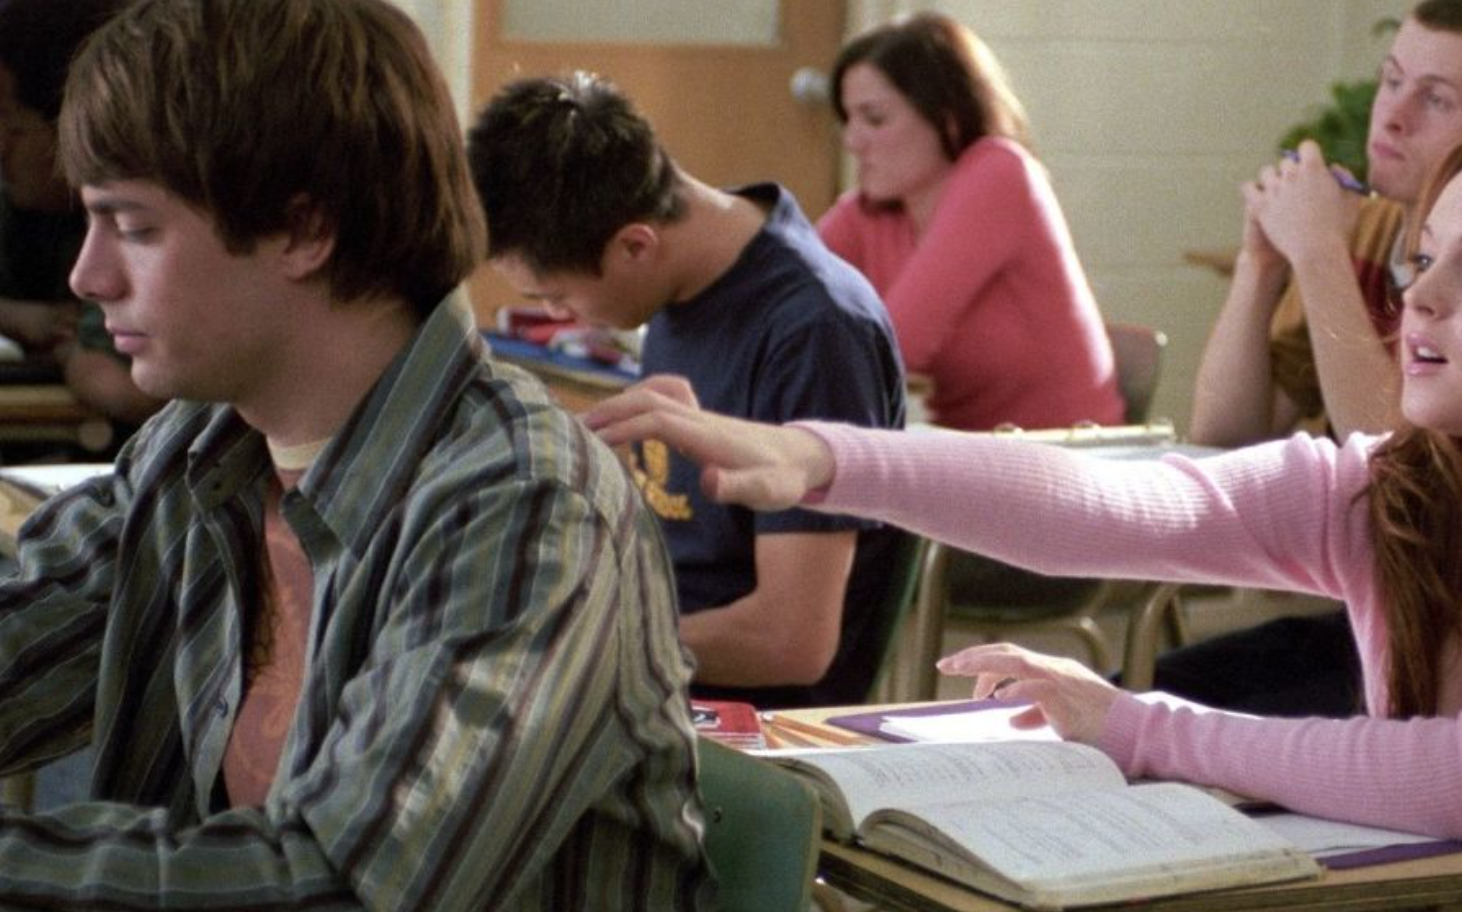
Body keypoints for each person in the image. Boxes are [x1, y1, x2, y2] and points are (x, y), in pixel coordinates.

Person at [584, 117, 1462, 909]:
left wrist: (1136, 725)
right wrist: (818, 457)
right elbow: (1120, 501)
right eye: (1421, 258)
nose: (1417, 298)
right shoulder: (1396, 489)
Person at [0, 1, 710, 907]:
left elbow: (347, 888)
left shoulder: (526, 503)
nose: (87, 276)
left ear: (304, 231)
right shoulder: (201, 446)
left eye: (134, 227)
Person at [1167, 0, 1462, 716]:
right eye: (1391, 81)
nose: (1393, 116)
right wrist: (1261, 263)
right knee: (1154, 690)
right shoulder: (1370, 234)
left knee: (1195, 726)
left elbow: (1397, 461)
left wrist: (1318, 253)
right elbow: (1226, 436)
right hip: (1371, 611)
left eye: (1435, 99)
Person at [467, 74, 906, 709]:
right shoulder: (681, 282)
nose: (563, 317)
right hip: (655, 662)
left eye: (557, 297)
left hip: (742, 716)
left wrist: (581, 645)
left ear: (635, 245)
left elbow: (791, 641)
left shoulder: (816, 330)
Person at [818, 12, 1123, 432]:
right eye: (847, 119)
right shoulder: (872, 209)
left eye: (874, 119)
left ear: (947, 118)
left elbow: (895, 347)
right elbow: (778, 282)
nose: (852, 141)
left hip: (1067, 449)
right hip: (978, 449)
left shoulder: (1000, 173)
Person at [0, 0, 162, 433]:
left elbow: (128, 389)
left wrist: (70, 355)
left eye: (13, 123)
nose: (1, 146)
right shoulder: (21, 211)